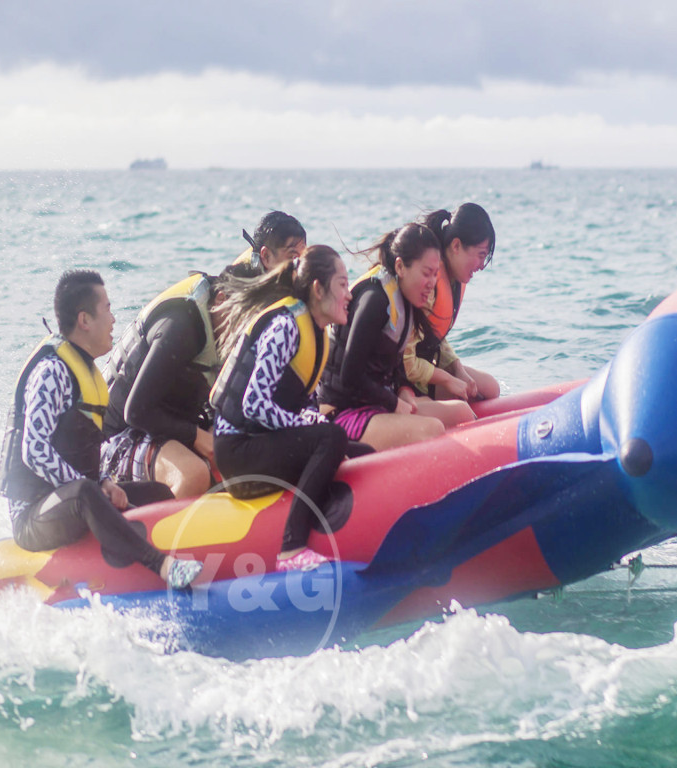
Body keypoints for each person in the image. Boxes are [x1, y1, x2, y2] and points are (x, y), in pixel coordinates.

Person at [0, 270, 203, 589]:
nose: (113, 319)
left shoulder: (87, 374)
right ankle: (161, 566)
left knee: (157, 493)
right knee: (84, 492)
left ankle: (188, 552)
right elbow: (34, 451)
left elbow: (84, 452)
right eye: (107, 309)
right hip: (34, 514)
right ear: (84, 320)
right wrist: (93, 488)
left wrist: (105, 482)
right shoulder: (51, 372)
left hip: (76, 499)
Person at [210, 245, 352, 571]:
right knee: (332, 438)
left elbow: (297, 406)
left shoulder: (317, 332)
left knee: (353, 447)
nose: (349, 294)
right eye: (342, 284)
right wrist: (307, 425)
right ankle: (291, 547)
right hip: (237, 453)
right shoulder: (286, 327)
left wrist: (310, 421)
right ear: (318, 289)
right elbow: (254, 404)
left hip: (261, 443)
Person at [319, 223, 470, 449]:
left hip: (377, 405)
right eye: (426, 273)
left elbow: (394, 363)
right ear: (400, 266)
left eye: (435, 275)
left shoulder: (405, 300)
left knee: (462, 413)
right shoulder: (375, 300)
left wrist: (404, 392)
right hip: (341, 414)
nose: (432, 284)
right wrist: (393, 402)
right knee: (432, 430)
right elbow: (350, 375)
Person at [101, 271, 225, 498]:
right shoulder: (181, 327)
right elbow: (136, 412)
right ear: (221, 299)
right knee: (193, 475)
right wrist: (198, 437)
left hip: (162, 432)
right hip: (114, 441)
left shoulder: (226, 334)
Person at [405, 202, 501, 403]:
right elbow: (406, 360)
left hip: (424, 368)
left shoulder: (450, 279)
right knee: (461, 409)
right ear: (456, 246)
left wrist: (456, 368)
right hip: (404, 378)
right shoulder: (428, 285)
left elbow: (432, 334)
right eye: (481, 255)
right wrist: (448, 379)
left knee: (490, 388)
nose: (481, 266)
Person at [223, 210, 307, 279]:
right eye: (293, 257)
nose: (300, 265)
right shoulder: (239, 288)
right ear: (266, 256)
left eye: (304, 257)